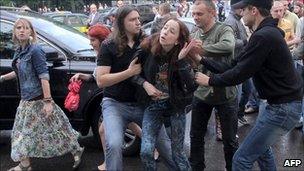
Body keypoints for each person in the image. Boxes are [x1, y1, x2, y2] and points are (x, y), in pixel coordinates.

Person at [184, 0, 303, 170]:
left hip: (282, 108)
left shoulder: (264, 35)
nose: (241, 14)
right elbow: (234, 65)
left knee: (241, 159)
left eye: (243, 10)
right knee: (262, 152)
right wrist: (201, 60)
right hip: (278, 105)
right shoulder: (263, 34)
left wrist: (210, 80)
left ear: (253, 10)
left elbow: (240, 73)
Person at [95, 6, 176, 170]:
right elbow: (101, 81)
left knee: (164, 145)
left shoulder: (146, 41)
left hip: (143, 104)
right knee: (114, 144)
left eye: (138, 18)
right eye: (132, 19)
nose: (138, 22)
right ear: (121, 22)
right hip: (115, 104)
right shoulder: (109, 45)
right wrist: (129, 72)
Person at [0, 18, 84, 171]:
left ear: (31, 31)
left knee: (58, 130)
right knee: (21, 133)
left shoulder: (35, 50)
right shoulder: (19, 51)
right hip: (26, 100)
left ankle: (76, 149)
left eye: (25, 28)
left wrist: (47, 101)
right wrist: (3, 78)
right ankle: (25, 165)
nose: (21, 30)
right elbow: (19, 71)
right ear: (14, 31)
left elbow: (44, 76)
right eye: (18, 27)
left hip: (38, 100)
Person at [134, 18, 198, 171]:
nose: (165, 32)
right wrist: (145, 84)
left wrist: (180, 62)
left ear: (177, 41)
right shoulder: (147, 48)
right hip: (153, 106)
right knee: (146, 152)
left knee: (178, 153)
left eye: (171, 31)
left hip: (175, 108)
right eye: (165, 28)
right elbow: (132, 74)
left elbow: (191, 86)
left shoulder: (184, 55)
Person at [189, 1, 239, 171]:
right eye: (193, 13)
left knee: (229, 140)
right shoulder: (195, 32)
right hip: (201, 93)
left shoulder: (223, 29)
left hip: (225, 94)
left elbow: (228, 46)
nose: (195, 17)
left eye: (199, 14)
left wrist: (201, 51)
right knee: (195, 136)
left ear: (212, 13)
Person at [225, 0, 250, 125]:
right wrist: (246, 41)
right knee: (237, 95)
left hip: (242, 62)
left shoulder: (237, 20)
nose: (245, 11)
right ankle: (233, 120)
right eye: (244, 8)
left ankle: (238, 116)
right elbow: (230, 43)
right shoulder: (230, 21)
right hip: (236, 63)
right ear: (238, 8)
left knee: (247, 91)